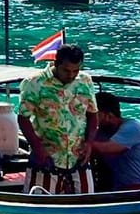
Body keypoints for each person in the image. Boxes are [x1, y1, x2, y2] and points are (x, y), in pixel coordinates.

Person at [17, 44, 98, 194]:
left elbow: (93, 114)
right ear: (56, 63)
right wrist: (37, 147)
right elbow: (23, 118)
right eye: (66, 70)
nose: (71, 75)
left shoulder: (85, 81)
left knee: (86, 207)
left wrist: (89, 143)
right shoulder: (34, 83)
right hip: (46, 157)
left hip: (78, 157)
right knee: (39, 208)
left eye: (76, 70)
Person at [90, 93, 140, 190]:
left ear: (108, 115)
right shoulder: (100, 132)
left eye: (95, 114)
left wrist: (79, 143)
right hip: (121, 188)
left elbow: (109, 148)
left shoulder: (132, 127)